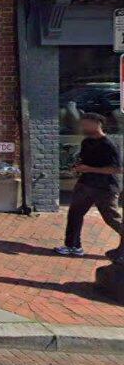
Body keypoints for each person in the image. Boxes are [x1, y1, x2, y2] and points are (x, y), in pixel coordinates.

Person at [56, 112, 124, 263]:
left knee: (112, 219)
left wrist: (89, 169)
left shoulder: (109, 144)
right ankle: (73, 246)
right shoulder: (86, 142)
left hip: (105, 187)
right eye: (82, 124)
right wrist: (77, 167)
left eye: (86, 124)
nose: (83, 127)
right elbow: (85, 161)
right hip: (85, 184)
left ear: (97, 123)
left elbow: (118, 169)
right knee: (74, 214)